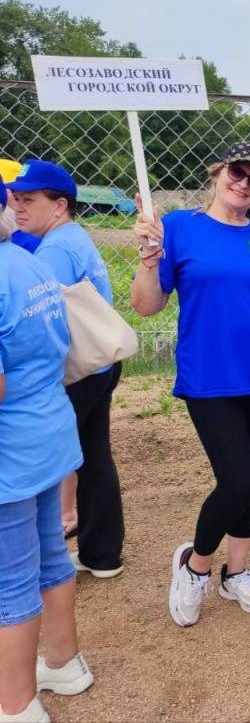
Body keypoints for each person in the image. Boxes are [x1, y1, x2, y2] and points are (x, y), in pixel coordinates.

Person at [131, 142, 250, 626]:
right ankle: (195, 565)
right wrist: (148, 256)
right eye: (237, 172)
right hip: (210, 377)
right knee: (239, 478)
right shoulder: (179, 228)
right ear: (217, 173)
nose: (244, 184)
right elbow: (146, 306)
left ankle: (235, 573)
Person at [1, 178, 95, 723]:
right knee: (50, 553)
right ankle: (63, 661)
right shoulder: (29, 261)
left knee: (9, 578)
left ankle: (16, 704)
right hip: (47, 429)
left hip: (10, 449)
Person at [8, 161, 124, 579]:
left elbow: (44, 323)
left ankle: (45, 558)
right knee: (94, 457)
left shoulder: (54, 250)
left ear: (60, 205)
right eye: (16, 199)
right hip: (101, 359)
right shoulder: (73, 236)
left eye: (29, 200)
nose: (18, 208)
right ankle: (102, 555)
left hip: (78, 367)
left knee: (55, 457)